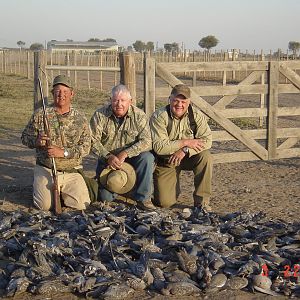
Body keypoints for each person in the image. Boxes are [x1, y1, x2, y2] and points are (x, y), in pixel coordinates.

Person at [21, 75, 91, 211]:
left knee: (82, 205)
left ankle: (62, 192)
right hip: (46, 169)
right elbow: (24, 138)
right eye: (58, 91)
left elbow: (86, 147)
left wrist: (63, 152)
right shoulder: (40, 114)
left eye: (65, 92)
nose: (61, 95)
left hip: (72, 171)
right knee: (44, 206)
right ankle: (43, 187)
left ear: (72, 94)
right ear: (53, 94)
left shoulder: (81, 118)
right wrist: (37, 141)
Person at [90, 84, 155, 210]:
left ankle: (143, 198)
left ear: (130, 101)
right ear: (111, 100)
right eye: (115, 100)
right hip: (108, 161)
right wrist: (108, 156)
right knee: (105, 198)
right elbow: (92, 141)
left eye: (123, 100)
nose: (119, 104)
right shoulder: (99, 115)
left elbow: (147, 141)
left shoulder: (139, 115)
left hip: (132, 159)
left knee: (147, 157)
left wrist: (125, 153)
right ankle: (118, 187)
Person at [150, 84, 213, 211]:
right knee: (164, 202)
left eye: (183, 101)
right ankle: (173, 187)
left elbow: (207, 140)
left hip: (188, 157)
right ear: (170, 99)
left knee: (206, 157)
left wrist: (185, 150)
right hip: (167, 161)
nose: (179, 105)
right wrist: (185, 142)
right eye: (176, 101)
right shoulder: (159, 116)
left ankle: (202, 203)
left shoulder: (196, 116)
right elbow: (159, 147)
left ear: (189, 102)